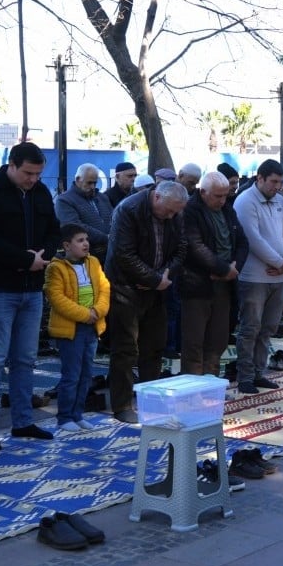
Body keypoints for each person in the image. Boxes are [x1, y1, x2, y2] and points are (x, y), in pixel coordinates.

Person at [0, 142, 61, 451]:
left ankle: (23, 422)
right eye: (27, 173)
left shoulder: (41, 193)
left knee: (25, 359)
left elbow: (53, 230)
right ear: (11, 165)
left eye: (37, 174)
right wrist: (24, 259)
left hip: (31, 289)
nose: (33, 179)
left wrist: (41, 255)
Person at [105, 180, 188, 423]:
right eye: (169, 210)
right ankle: (121, 406)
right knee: (125, 350)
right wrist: (154, 279)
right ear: (157, 198)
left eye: (176, 212)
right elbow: (123, 254)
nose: (171, 216)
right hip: (126, 288)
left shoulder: (175, 214)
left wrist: (162, 277)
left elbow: (181, 249)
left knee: (154, 347)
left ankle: (150, 401)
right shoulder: (128, 210)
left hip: (157, 289)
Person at [233, 160, 283, 394]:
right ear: (260, 179)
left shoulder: (280, 201)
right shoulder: (245, 201)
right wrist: (279, 262)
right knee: (250, 328)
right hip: (254, 277)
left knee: (268, 328)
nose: (277, 187)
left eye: (280, 182)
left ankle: (259, 372)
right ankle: (245, 375)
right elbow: (253, 239)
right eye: (273, 182)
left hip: (278, 277)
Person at [44, 222, 110, 433]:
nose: (86, 244)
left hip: (91, 327)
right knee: (71, 375)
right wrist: (85, 315)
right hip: (71, 330)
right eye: (80, 241)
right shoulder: (56, 268)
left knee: (86, 374)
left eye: (87, 240)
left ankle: (78, 414)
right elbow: (57, 299)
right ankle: (64, 417)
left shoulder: (93, 262)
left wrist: (98, 311)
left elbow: (104, 288)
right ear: (67, 245)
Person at [180, 171, 247, 376]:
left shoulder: (227, 209)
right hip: (198, 284)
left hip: (224, 285)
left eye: (225, 195)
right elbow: (195, 246)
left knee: (217, 341)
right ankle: (192, 388)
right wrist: (223, 269)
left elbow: (243, 242)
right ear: (202, 192)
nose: (222, 200)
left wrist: (234, 268)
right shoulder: (190, 210)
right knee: (194, 342)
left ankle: (210, 384)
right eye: (217, 196)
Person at [54, 163, 113, 260]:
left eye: (95, 183)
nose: (93, 186)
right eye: (89, 183)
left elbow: (113, 219)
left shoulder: (102, 197)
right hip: (83, 258)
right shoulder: (64, 200)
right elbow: (74, 227)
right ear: (78, 179)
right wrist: (106, 237)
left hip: (109, 254)